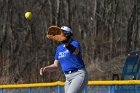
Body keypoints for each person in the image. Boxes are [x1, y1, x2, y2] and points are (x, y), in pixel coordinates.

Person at [40, 26, 88, 93]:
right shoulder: (59, 48)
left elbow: (76, 51)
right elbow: (55, 65)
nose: (59, 35)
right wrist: (46, 68)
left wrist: (66, 44)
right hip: (67, 78)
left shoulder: (75, 43)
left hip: (78, 74)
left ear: (67, 34)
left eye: (61, 33)